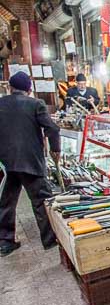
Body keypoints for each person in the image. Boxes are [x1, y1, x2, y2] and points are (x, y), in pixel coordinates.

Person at [0, 72, 60, 256]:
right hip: (30, 161)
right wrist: (55, 150)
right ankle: (50, 240)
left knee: (6, 203)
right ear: (29, 89)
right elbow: (52, 128)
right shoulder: (35, 104)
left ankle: (4, 242)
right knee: (42, 202)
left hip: (6, 163)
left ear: (10, 88)